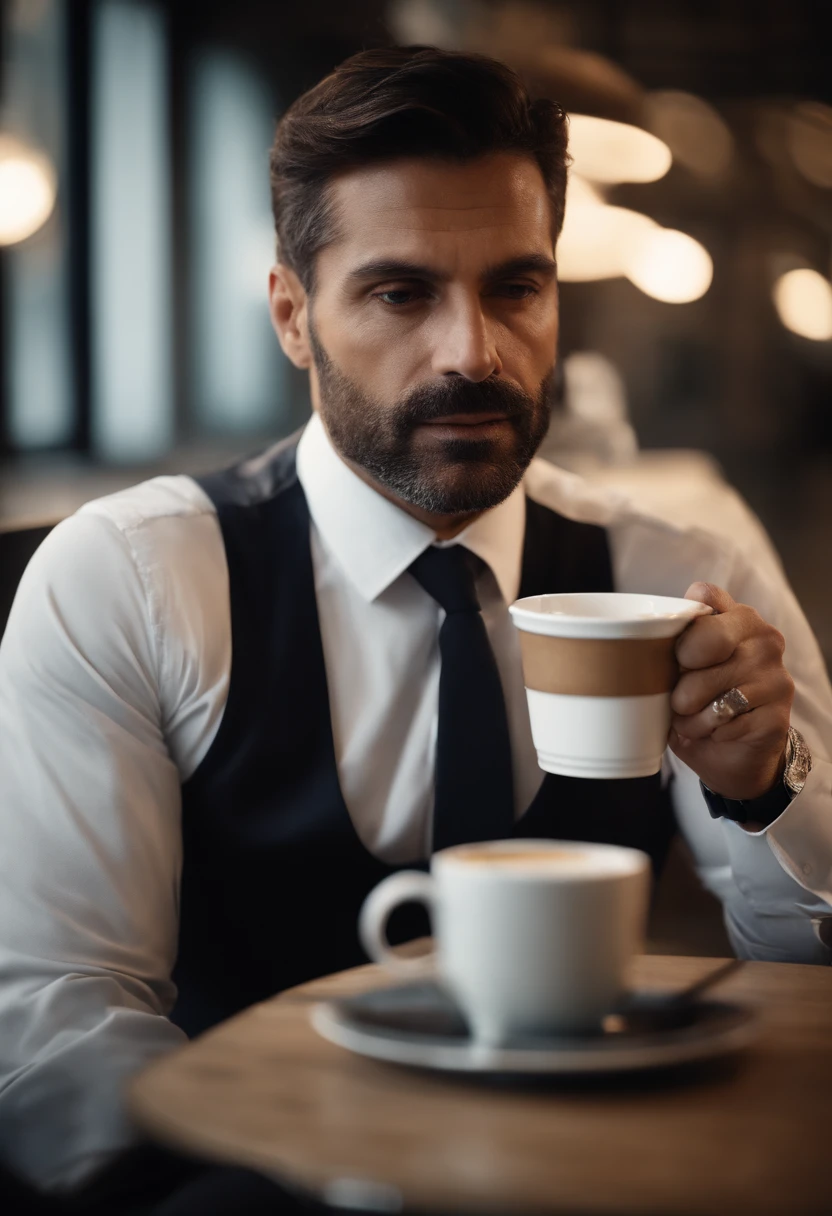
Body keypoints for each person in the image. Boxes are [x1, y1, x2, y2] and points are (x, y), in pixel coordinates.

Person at [0, 44, 830, 1213]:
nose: (473, 353)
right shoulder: (135, 576)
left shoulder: (678, 571)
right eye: (401, 293)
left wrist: (766, 791)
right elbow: (57, 1013)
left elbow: (811, 971)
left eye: (515, 287)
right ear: (293, 315)